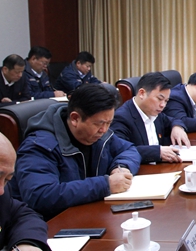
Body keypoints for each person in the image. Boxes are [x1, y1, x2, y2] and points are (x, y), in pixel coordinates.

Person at [10, 84, 140, 220]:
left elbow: (128, 149)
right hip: (52, 223)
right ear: (75, 119)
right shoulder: (39, 146)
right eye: (99, 124)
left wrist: (121, 167)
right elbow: (40, 196)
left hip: (90, 213)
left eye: (109, 123)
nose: (104, 130)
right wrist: (105, 185)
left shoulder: (100, 135)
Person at [0, 132, 54, 251]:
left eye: (7, 180)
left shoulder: (3, 194)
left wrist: (25, 243)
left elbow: (23, 215)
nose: (1, 190)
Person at [111, 72, 191, 164]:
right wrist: (157, 152)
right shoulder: (121, 118)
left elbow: (173, 120)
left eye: (166, 101)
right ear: (142, 93)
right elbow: (121, 150)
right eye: (159, 99)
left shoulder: (155, 113)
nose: (163, 105)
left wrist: (177, 127)